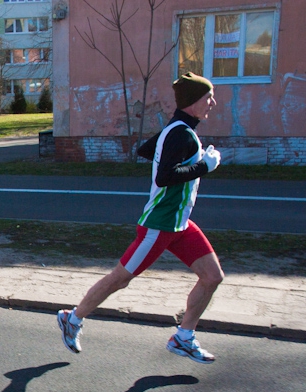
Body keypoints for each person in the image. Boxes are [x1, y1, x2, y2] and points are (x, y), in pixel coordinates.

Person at [57, 72, 224, 364]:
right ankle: (73, 318)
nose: (213, 102)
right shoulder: (181, 133)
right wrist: (204, 166)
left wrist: (173, 153)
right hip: (159, 225)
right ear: (194, 101)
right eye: (208, 97)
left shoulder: (178, 129)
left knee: (212, 276)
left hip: (180, 224)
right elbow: (165, 176)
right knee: (120, 279)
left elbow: (146, 150)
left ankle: (183, 337)